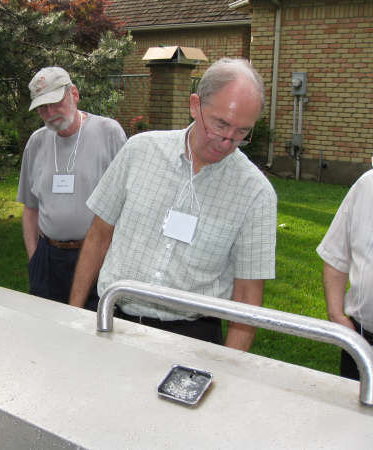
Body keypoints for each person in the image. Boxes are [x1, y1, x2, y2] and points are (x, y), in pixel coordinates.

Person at [69, 58, 277, 351]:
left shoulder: (256, 194)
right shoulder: (139, 151)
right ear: (195, 105)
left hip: (192, 337)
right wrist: (75, 315)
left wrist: (229, 369)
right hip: (111, 317)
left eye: (242, 131)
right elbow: (99, 235)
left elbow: (247, 295)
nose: (228, 140)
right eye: (221, 124)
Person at [17, 67, 126, 311]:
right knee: (47, 330)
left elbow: (126, 206)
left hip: (97, 256)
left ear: (74, 94)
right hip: (48, 258)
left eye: (55, 103)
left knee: (92, 333)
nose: (50, 113)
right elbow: (30, 208)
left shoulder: (108, 132)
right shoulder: (36, 143)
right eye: (42, 108)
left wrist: (110, 258)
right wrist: (34, 258)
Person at [316, 169, 373, 380]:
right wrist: (336, 313)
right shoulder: (367, 186)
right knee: (354, 412)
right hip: (362, 342)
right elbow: (335, 254)